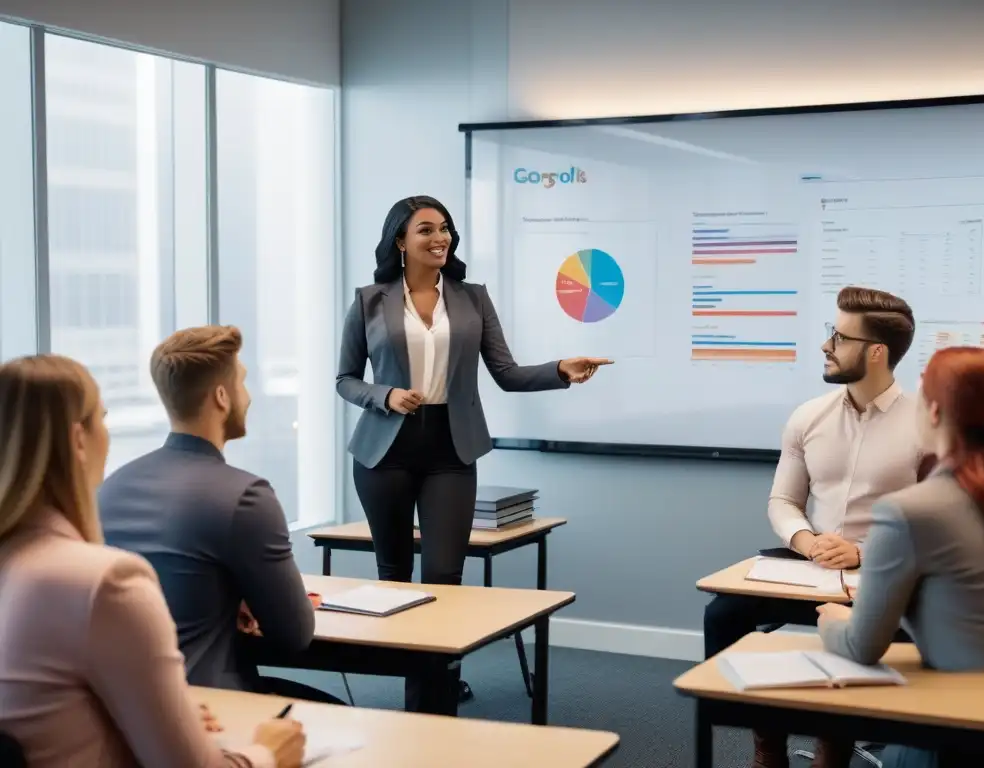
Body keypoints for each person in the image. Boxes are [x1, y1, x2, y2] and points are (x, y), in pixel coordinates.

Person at [336, 195, 610, 708]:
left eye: (446, 230)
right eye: (426, 230)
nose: (440, 238)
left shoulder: (471, 299)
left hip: (451, 451)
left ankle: (433, 688)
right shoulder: (369, 300)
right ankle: (416, 681)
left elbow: (505, 373)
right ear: (400, 240)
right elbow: (345, 379)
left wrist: (559, 371)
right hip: (383, 452)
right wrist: (385, 395)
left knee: (445, 575)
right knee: (394, 575)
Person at [0, 354, 306, 768]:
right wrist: (267, 753)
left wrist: (154, 715)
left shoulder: (20, 564)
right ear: (78, 440)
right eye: (102, 418)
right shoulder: (104, 581)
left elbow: (48, 709)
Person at [703, 286, 929, 768]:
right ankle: (768, 744)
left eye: (839, 337)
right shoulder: (808, 417)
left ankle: (837, 745)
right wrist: (807, 542)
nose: (827, 346)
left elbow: (934, 524)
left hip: (885, 569)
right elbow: (784, 501)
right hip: (811, 564)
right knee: (723, 616)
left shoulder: (927, 425)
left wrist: (865, 552)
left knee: (912, 630)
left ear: (875, 352)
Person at [818, 346, 984, 767]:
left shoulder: (909, 512)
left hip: (959, 741)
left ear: (932, 413)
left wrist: (833, 623)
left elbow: (863, 646)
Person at [99, 326, 327, 701]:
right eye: (242, 383)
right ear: (222, 397)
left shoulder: (111, 487)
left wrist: (224, 596)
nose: (248, 397)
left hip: (124, 708)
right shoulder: (245, 496)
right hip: (210, 709)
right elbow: (294, 636)